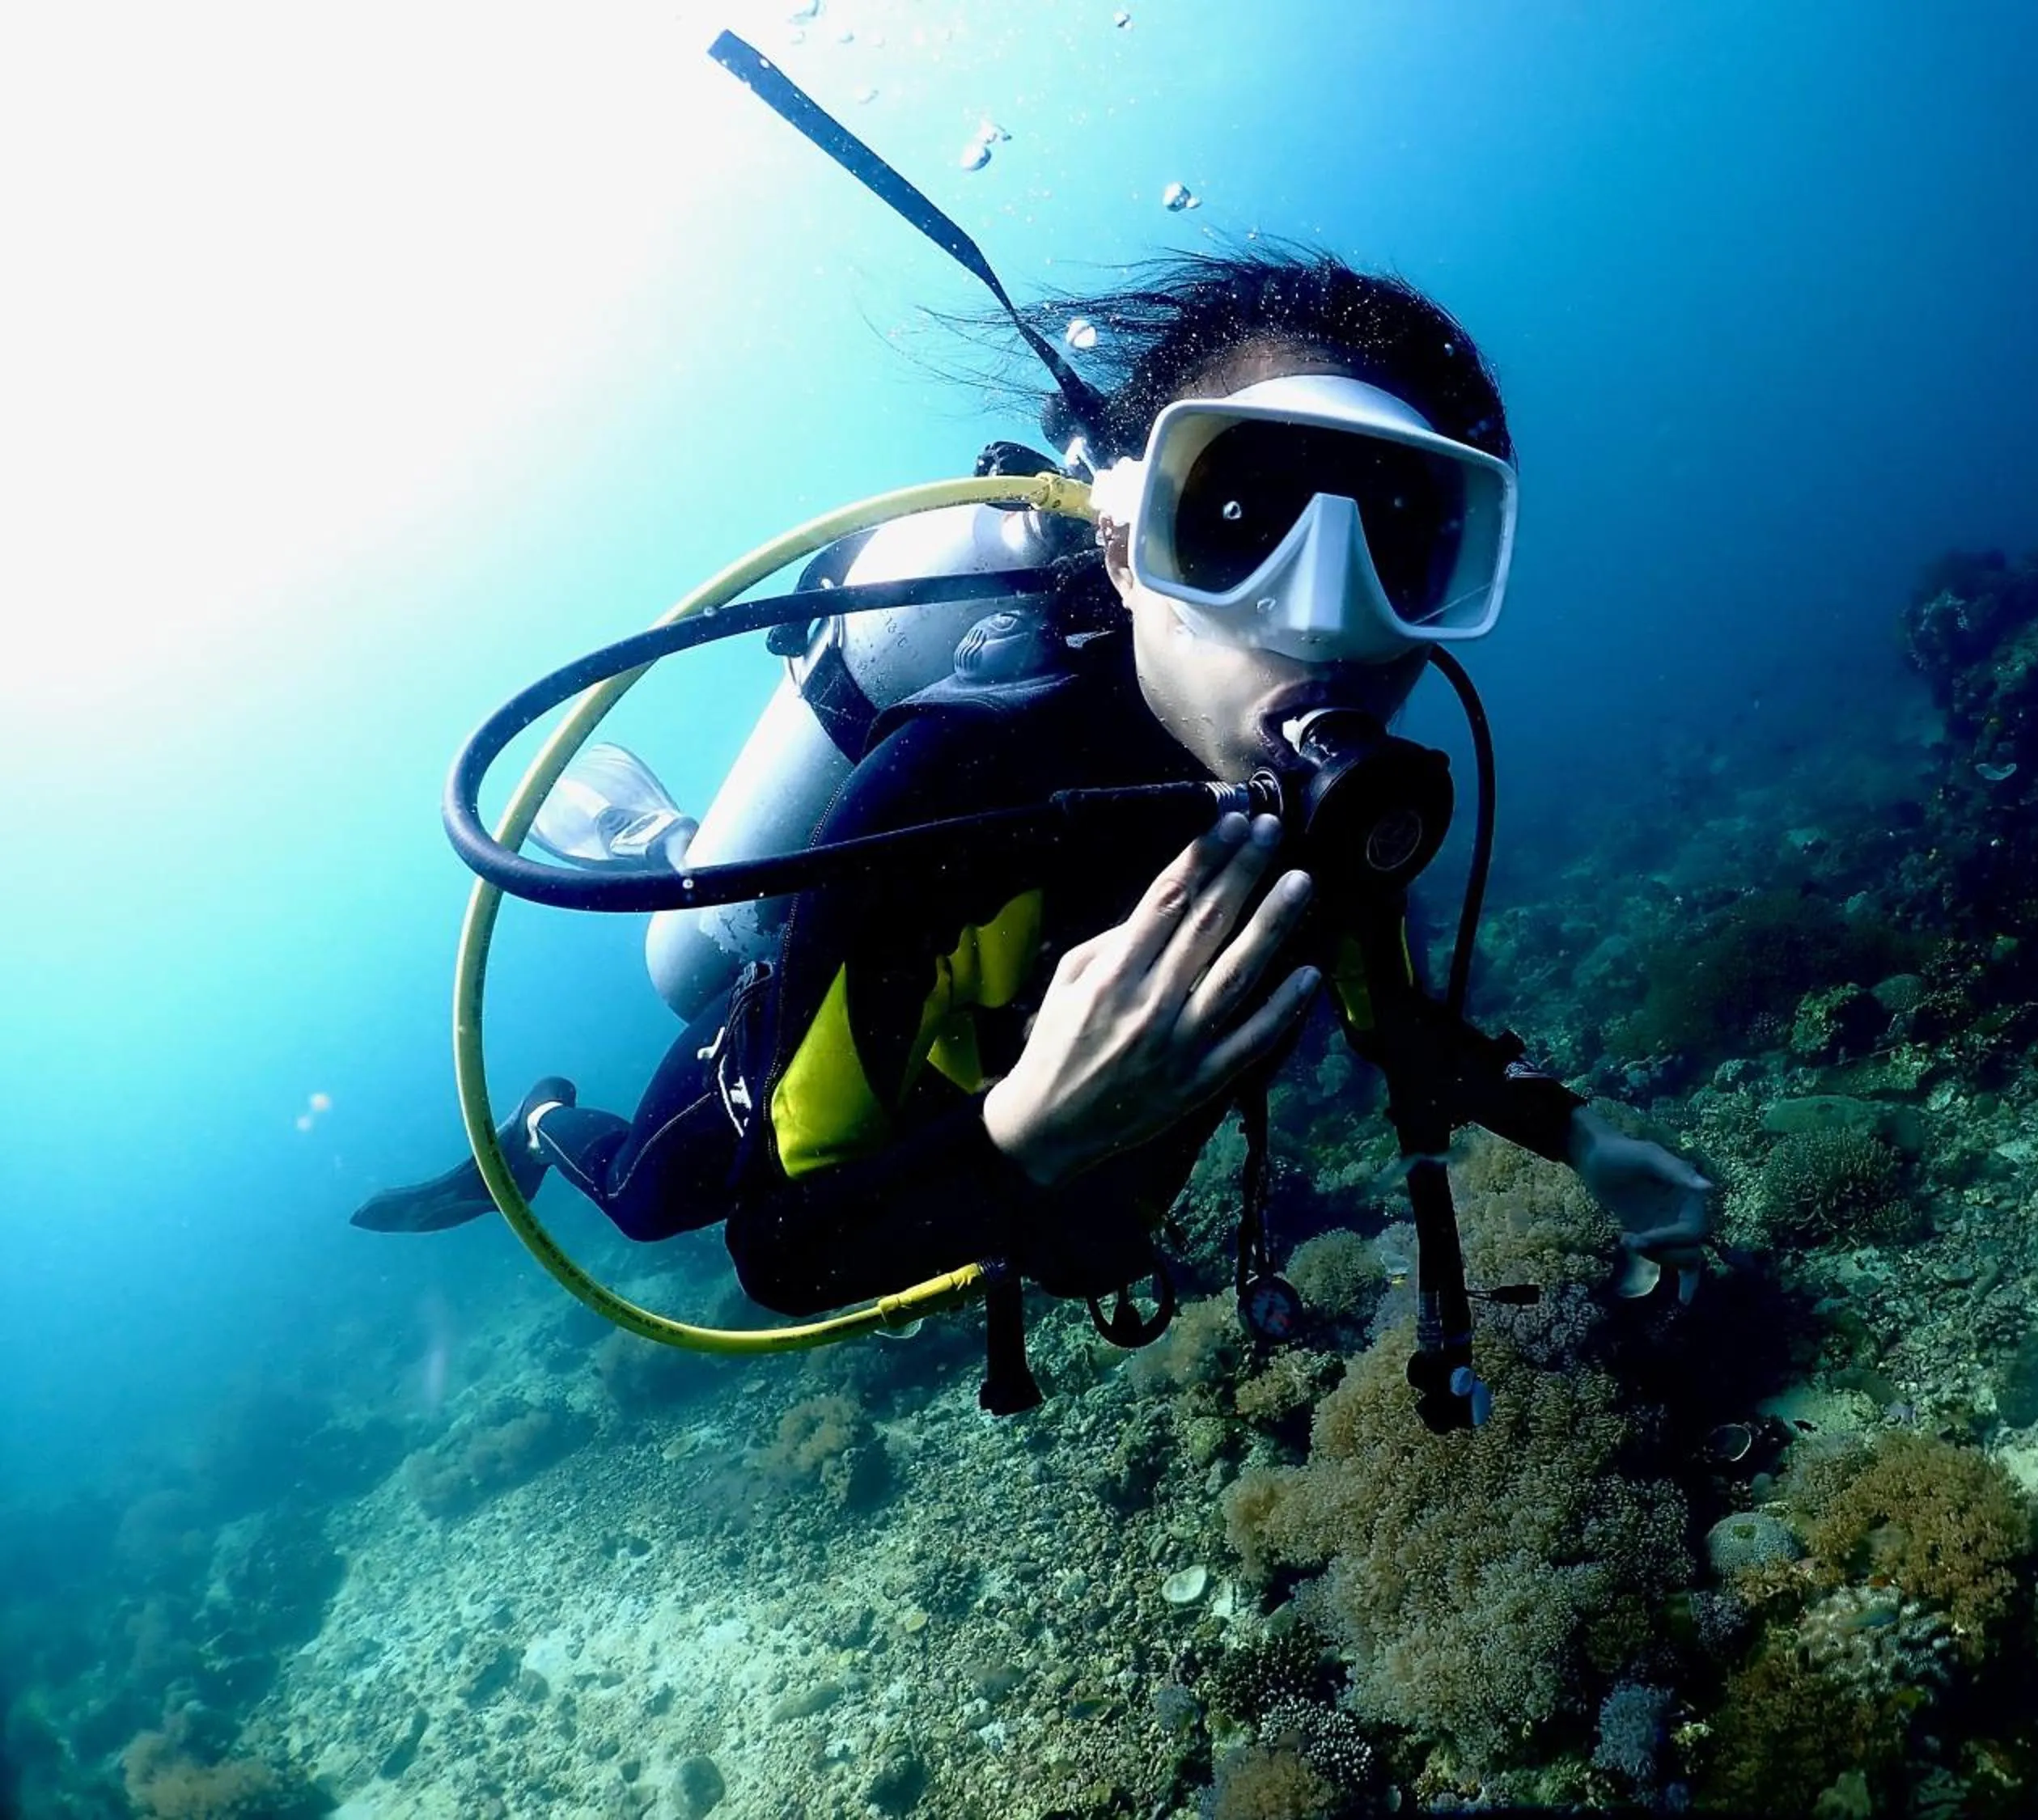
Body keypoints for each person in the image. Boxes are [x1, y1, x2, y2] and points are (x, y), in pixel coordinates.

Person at [355, 249, 1711, 1380]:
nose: (1322, 614)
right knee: (655, 1199)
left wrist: (1579, 1134)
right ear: (1121, 548)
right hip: (823, 1071)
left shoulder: (1330, 811)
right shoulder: (946, 789)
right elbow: (781, 1248)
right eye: (1241, 520)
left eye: (1403, 545)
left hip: (1030, 1189)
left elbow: (1392, 1015)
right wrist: (1027, 1136)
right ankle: (548, 1116)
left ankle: (681, 854)